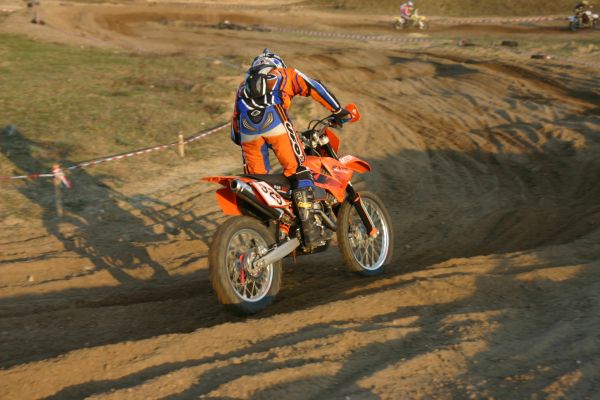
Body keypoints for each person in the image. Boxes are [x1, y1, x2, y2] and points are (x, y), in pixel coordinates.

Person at [230, 49, 350, 247]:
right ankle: (310, 230)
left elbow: (235, 134)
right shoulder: (284, 74)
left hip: (247, 133)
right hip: (276, 122)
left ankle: (260, 236)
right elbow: (314, 86)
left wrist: (254, 138)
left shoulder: (242, 87)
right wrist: (338, 110)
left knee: (257, 182)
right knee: (299, 169)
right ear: (277, 64)